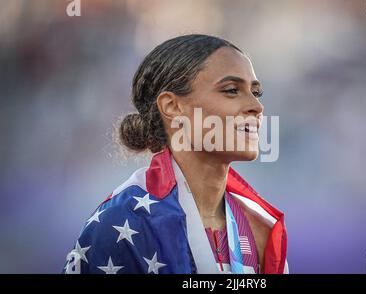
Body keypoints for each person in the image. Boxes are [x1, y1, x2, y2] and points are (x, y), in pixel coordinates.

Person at [64, 34, 288, 274]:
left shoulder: (261, 229)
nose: (257, 106)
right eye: (232, 90)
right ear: (172, 106)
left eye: (256, 92)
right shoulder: (121, 222)